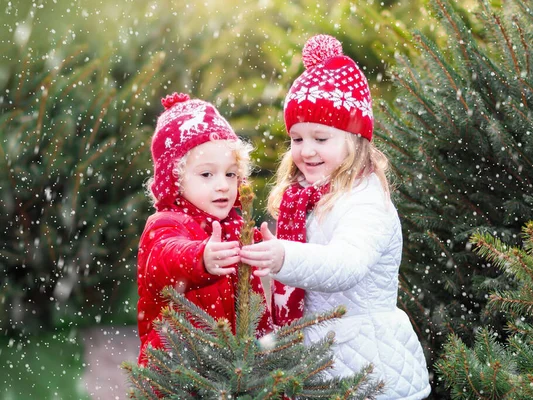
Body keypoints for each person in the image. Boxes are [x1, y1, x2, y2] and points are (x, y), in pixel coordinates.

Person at [240, 35, 431, 399]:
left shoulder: (365, 199)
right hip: (322, 359)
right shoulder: (304, 199)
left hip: (367, 368)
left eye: (320, 138)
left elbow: (347, 264)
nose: (306, 150)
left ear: (354, 139)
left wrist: (284, 257)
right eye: (296, 139)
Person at [136, 92, 272, 365]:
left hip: (234, 370)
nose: (222, 184)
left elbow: (257, 306)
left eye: (230, 173)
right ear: (175, 179)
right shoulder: (166, 223)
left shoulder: (239, 228)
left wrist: (274, 252)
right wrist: (199, 257)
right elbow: (164, 258)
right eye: (207, 174)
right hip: (180, 369)